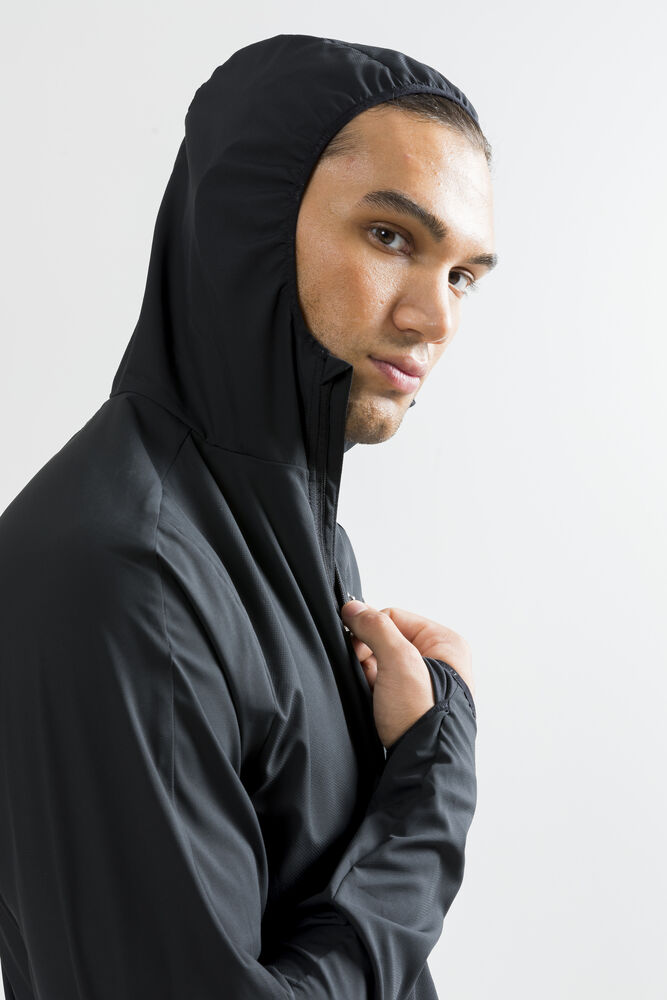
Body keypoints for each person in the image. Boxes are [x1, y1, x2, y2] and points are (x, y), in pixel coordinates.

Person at [0, 32, 496, 1000]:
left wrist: (416, 741)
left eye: (462, 275)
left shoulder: (292, 538)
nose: (435, 319)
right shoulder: (118, 574)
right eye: (390, 236)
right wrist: (433, 777)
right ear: (248, 226)